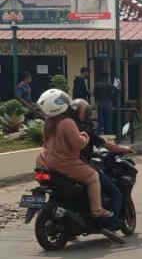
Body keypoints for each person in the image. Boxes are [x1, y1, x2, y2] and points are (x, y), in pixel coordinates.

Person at [35, 89, 113, 220]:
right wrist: (84, 136)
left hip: (45, 161)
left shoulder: (49, 123)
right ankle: (97, 210)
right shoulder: (67, 122)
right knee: (93, 177)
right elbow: (78, 144)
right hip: (64, 162)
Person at [71, 98, 130, 226]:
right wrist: (124, 149)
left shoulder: (67, 127)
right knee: (115, 193)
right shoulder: (84, 130)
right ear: (86, 114)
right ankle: (110, 221)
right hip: (80, 166)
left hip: (60, 167)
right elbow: (105, 144)